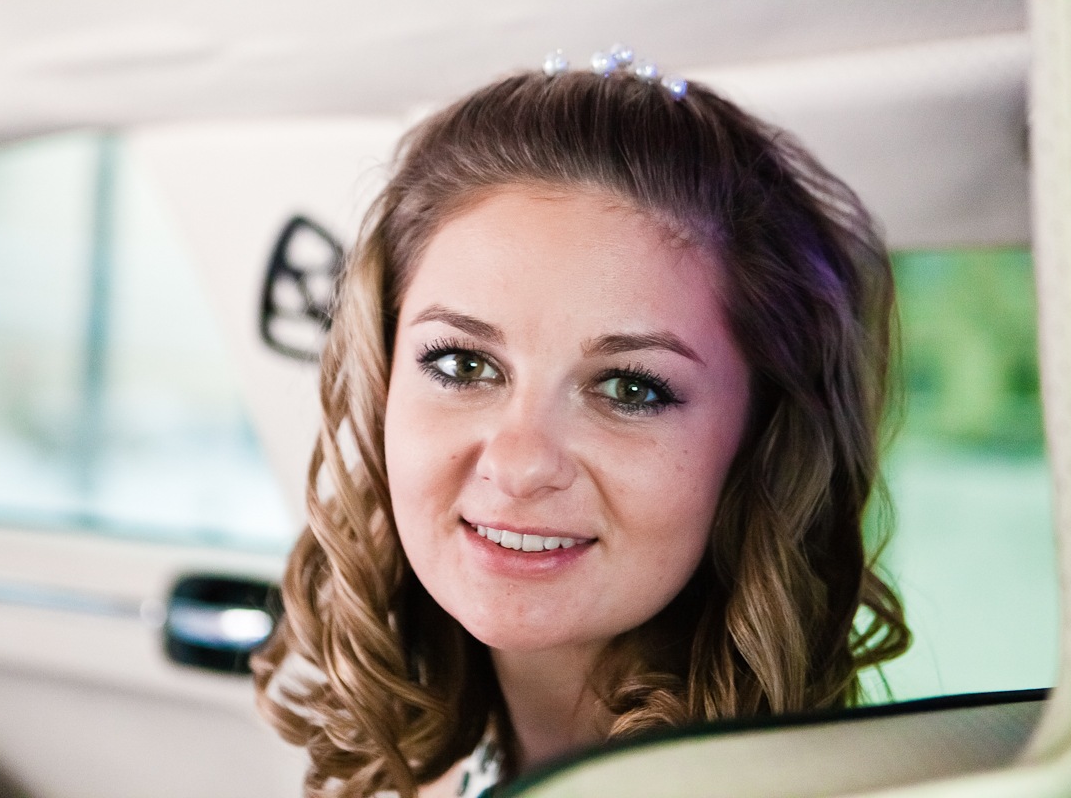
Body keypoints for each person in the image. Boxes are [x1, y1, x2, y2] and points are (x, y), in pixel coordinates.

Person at [252, 47, 910, 798]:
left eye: (629, 388)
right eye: (464, 364)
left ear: (762, 440)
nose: (519, 463)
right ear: (382, 386)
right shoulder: (405, 771)